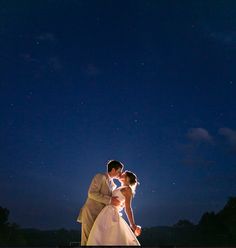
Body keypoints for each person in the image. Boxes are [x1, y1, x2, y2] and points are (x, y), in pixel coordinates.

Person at [87, 170, 141, 246]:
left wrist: (132, 224)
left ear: (127, 178)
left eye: (124, 174)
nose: (121, 174)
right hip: (106, 212)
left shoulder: (128, 189)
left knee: (109, 236)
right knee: (101, 235)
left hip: (112, 213)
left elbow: (128, 208)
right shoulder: (120, 187)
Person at [77, 160, 124, 246]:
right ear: (113, 169)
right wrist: (110, 200)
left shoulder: (113, 185)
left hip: (101, 215)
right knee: (88, 240)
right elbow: (91, 193)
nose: (120, 174)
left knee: (97, 239)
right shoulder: (100, 176)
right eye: (119, 171)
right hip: (90, 212)